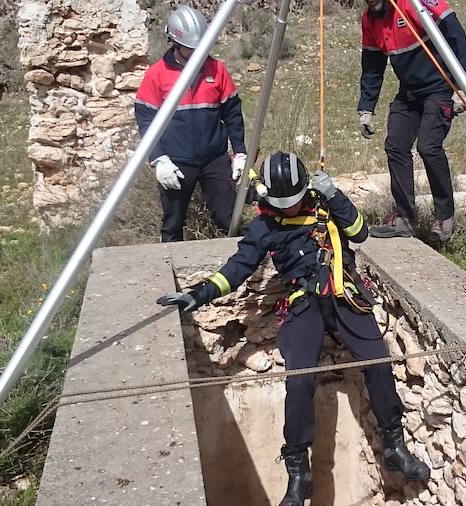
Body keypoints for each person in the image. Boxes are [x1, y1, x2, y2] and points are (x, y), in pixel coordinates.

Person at [157, 152, 431, 506]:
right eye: (281, 203)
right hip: (304, 302)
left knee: (378, 359)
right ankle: (299, 471)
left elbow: (360, 232)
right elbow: (238, 267)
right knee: (299, 378)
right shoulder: (264, 226)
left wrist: (335, 194)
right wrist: (201, 293)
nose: (288, 209)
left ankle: (394, 444)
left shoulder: (324, 203)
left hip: (344, 293)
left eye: (294, 201)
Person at [358, 0, 466, 245]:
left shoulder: (412, 3)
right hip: (409, 92)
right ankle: (404, 219)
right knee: (396, 145)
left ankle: (444, 216)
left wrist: (464, 87)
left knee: (428, 146)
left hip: (440, 86)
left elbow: (455, 32)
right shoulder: (369, 19)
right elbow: (372, 65)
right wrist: (366, 108)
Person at [134, 5, 247, 242]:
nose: (198, 53)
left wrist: (240, 152)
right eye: (191, 49)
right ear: (174, 42)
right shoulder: (157, 74)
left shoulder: (217, 70)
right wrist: (158, 159)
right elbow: (146, 120)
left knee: (230, 219)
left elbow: (233, 113)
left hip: (214, 159)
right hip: (176, 162)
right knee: (173, 224)